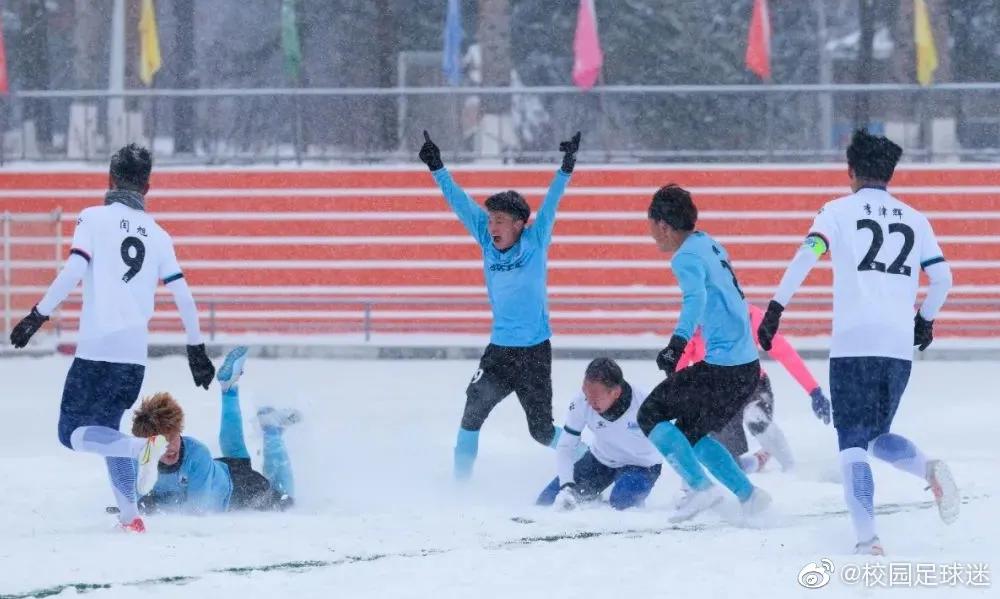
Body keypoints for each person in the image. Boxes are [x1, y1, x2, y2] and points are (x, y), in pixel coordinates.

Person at [757, 129, 958, 555]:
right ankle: (928, 468)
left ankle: (868, 539)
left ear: (851, 171)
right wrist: (924, 320)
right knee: (875, 436)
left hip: (853, 344)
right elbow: (942, 278)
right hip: (897, 348)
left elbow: (807, 254)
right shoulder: (915, 219)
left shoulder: (835, 211)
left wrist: (776, 308)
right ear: (889, 174)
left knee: (852, 441)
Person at [8, 144, 215, 533]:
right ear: (147, 187)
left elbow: (73, 270)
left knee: (72, 434)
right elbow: (183, 295)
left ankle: (141, 449)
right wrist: (196, 350)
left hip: (96, 352)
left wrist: (37, 315)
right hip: (133, 360)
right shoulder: (159, 235)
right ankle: (130, 515)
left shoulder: (93, 218)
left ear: (110, 179)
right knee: (109, 434)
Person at [419, 130, 581, 480]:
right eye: (490, 219)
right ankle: (459, 487)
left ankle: (594, 460)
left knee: (541, 432)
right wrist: (437, 167)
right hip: (499, 352)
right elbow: (458, 201)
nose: (492, 225)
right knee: (472, 411)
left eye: (501, 220)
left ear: (520, 225)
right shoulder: (485, 238)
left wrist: (566, 168)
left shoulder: (535, 240)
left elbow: (552, 201)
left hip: (534, 352)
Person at [637, 184, 770, 523]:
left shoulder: (684, 256)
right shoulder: (709, 243)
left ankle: (700, 487)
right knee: (692, 433)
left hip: (723, 368)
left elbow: (695, 299)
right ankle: (750, 496)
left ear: (664, 226)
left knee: (650, 414)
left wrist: (676, 346)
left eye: (653, 231)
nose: (654, 239)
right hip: (747, 368)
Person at [131, 347, 298, 514]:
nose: (170, 446)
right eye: (161, 441)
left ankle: (272, 432)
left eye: (173, 437)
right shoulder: (139, 459)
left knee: (286, 502)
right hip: (223, 471)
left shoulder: (196, 454)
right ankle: (229, 388)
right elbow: (135, 499)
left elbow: (198, 510)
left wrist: (152, 506)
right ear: (147, 444)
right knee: (236, 452)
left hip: (242, 487)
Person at [677, 303, 832, 474]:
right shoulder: (692, 326)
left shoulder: (750, 317)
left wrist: (813, 390)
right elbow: (678, 369)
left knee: (755, 418)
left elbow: (785, 353)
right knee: (729, 467)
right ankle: (758, 459)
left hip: (754, 387)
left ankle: (791, 468)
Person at [537, 358, 662, 511]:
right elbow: (566, 446)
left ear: (616, 392)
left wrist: (690, 487)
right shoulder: (581, 402)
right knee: (547, 501)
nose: (588, 402)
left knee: (622, 504)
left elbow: (678, 442)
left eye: (595, 397)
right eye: (586, 393)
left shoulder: (647, 403)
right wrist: (566, 486)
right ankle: (592, 495)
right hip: (600, 460)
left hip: (642, 466)